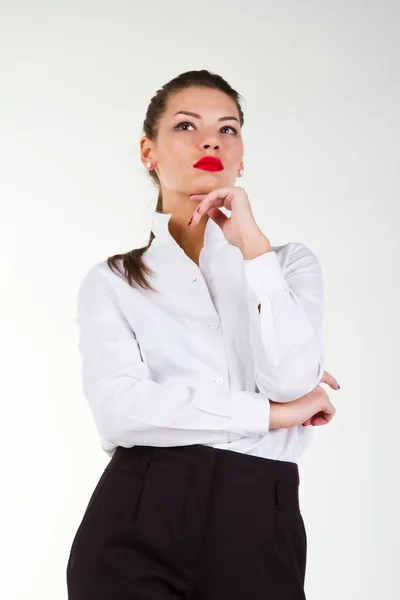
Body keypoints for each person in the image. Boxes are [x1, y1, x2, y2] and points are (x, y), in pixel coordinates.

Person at [66, 69, 339, 599]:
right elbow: (120, 410)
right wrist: (272, 415)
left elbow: (289, 377)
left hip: (260, 515)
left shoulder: (286, 266)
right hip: (137, 511)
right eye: (186, 126)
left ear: (242, 156)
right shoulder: (114, 281)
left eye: (228, 129)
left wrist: (253, 246)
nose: (210, 140)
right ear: (150, 152)